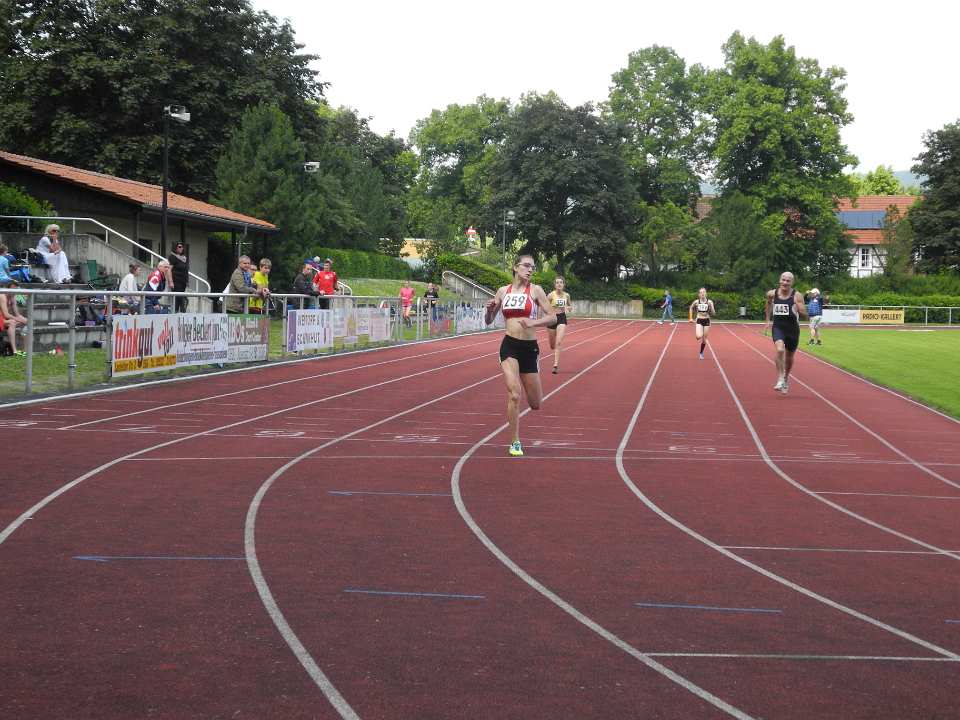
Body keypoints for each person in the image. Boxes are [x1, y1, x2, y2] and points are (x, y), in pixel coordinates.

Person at [485, 254, 556, 457]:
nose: (530, 269)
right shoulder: (503, 291)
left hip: (529, 349)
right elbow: (489, 320)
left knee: (535, 403)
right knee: (514, 394)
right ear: (515, 267)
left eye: (533, 267)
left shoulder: (536, 290)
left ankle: (531, 389)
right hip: (509, 347)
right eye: (526, 266)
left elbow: (553, 317)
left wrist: (534, 322)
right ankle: (515, 442)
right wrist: (489, 311)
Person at [765, 271, 807, 395]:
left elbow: (804, 314)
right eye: (783, 280)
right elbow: (768, 304)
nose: (785, 282)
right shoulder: (772, 294)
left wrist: (800, 309)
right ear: (779, 280)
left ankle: (785, 378)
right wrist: (767, 319)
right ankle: (780, 377)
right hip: (778, 327)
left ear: (792, 282)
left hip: (792, 330)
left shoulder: (797, 296)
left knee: (789, 357)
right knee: (779, 350)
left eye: (788, 281)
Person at [546, 276, 573, 374]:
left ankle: (555, 365)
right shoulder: (550, 295)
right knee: (552, 345)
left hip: (562, 318)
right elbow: (545, 306)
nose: (559, 284)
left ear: (563, 284)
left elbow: (569, 305)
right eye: (557, 282)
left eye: (561, 282)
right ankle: (555, 348)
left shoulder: (567, 295)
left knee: (559, 342)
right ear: (555, 285)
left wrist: (569, 308)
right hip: (552, 319)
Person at [0, 280, 29, 356]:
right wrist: (18, 319)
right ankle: (14, 350)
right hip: (1, 319)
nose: (15, 291)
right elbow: (6, 314)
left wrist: (23, 319)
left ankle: (25, 350)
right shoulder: (2, 296)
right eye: (14, 289)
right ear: (8, 288)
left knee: (27, 322)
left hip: (4, 319)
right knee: (12, 323)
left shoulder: (12, 296)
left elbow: (17, 314)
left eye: (16, 289)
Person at [688, 287, 716, 360]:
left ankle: (701, 353)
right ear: (699, 294)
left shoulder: (710, 302)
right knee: (698, 336)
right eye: (701, 292)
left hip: (707, 320)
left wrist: (711, 308)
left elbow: (713, 313)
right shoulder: (696, 302)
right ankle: (700, 333)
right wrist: (690, 318)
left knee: (704, 340)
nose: (702, 294)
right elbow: (691, 307)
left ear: (706, 293)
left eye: (704, 292)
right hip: (699, 319)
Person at [167, 241, 190, 312]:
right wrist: (171, 282)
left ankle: (180, 312)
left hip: (183, 282)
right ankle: (176, 313)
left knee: (181, 298)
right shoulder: (172, 256)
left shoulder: (184, 258)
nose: (181, 248)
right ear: (175, 247)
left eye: (182, 247)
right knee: (177, 299)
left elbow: (186, 270)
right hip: (176, 282)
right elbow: (169, 270)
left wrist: (187, 281)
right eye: (179, 247)